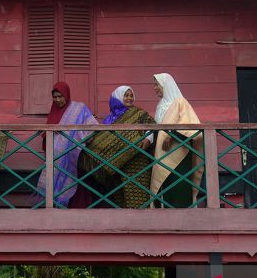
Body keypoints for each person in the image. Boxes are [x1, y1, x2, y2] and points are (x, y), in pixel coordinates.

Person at [77, 86, 155, 208]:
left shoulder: (139, 113)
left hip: (137, 160)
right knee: (120, 195)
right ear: (118, 97)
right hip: (117, 162)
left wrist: (147, 139)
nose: (129, 98)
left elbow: (151, 127)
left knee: (138, 192)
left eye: (131, 95)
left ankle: (140, 222)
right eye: (126, 95)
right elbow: (103, 138)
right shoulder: (111, 118)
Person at [36, 82, 98, 207]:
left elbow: (92, 126)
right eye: (55, 97)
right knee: (57, 185)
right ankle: (56, 206)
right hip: (57, 159)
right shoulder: (54, 111)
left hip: (76, 157)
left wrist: (80, 137)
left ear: (67, 95)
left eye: (61, 96)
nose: (58, 100)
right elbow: (48, 133)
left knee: (77, 186)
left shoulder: (79, 108)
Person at [151, 73, 204, 206]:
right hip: (161, 152)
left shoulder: (180, 102)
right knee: (164, 184)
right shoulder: (160, 105)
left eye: (157, 84)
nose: (155, 88)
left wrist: (172, 135)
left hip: (178, 150)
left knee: (178, 184)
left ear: (165, 85)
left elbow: (192, 126)